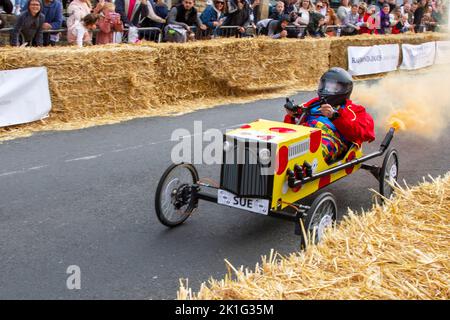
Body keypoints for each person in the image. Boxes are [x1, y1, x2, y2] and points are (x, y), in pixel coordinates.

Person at [283, 67, 375, 163]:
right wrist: (292, 115)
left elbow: (362, 134)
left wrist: (335, 117)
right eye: (326, 86)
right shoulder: (314, 103)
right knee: (280, 146)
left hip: (330, 139)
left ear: (345, 89)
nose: (327, 90)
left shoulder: (355, 110)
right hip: (306, 133)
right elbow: (292, 127)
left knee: (309, 151)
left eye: (333, 87)